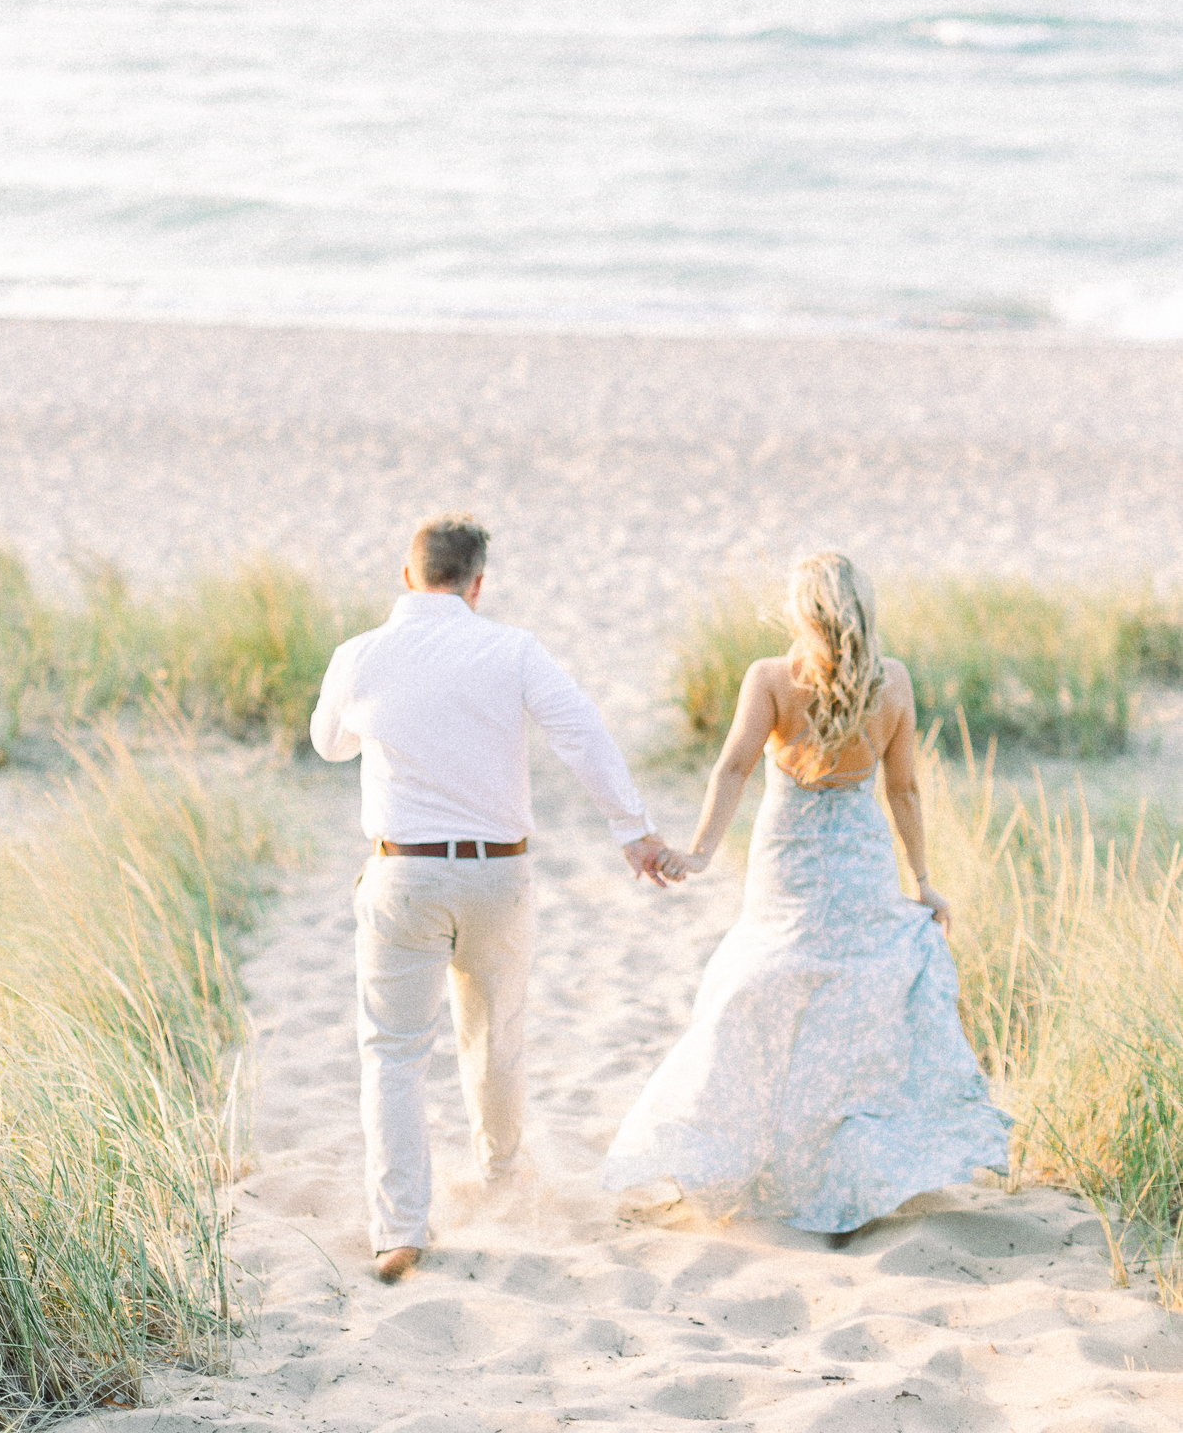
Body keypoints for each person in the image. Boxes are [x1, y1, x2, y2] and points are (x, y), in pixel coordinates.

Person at [310, 512, 674, 1281]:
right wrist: (631, 830)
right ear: (477, 583)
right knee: (495, 1036)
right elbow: (581, 732)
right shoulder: (511, 649)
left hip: (402, 873)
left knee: (392, 1055)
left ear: (407, 575)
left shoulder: (360, 654)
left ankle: (399, 1230)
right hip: (497, 874)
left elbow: (329, 743)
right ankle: (502, 1177)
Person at [603, 551, 1012, 1233]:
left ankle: (751, 1156)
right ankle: (833, 1165)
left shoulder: (769, 678)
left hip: (787, 846)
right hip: (857, 848)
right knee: (849, 995)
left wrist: (701, 852)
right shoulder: (893, 682)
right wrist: (922, 881)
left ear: (801, 611)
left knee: (765, 978)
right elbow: (903, 790)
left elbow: (733, 767)